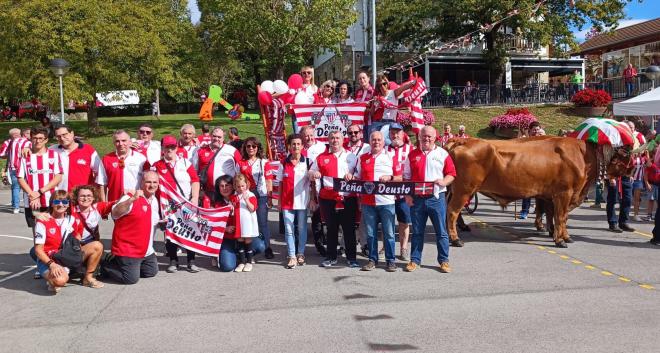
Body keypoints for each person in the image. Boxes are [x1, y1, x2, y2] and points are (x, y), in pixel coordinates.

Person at [403, 126, 456, 273]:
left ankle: (444, 261)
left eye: (430, 137)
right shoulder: (412, 155)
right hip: (417, 200)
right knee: (417, 232)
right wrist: (407, 195)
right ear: (419, 137)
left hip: (436, 198)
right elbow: (406, 177)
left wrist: (444, 182)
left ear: (435, 138)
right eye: (424, 136)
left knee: (441, 231)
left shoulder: (442, 153)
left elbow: (451, 173)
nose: (426, 139)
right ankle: (414, 260)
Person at [29, 190, 98, 293]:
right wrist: (52, 265)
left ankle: (87, 277)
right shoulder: (43, 220)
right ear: (52, 203)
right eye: (57, 202)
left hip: (66, 256)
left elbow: (78, 235)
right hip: (51, 259)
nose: (61, 204)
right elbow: (38, 250)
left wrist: (75, 250)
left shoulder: (72, 219)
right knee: (59, 281)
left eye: (65, 202)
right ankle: (51, 276)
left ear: (68, 204)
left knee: (97, 245)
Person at [309, 130, 359, 268]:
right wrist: (314, 173)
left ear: (343, 140)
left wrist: (353, 176)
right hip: (328, 198)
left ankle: (352, 258)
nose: (335, 140)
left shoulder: (352, 156)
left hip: (347, 198)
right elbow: (310, 172)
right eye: (332, 138)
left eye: (337, 138)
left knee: (349, 229)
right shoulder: (321, 157)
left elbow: (359, 173)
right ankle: (331, 257)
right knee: (331, 229)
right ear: (328, 140)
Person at [152, 135, 201, 273]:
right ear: (162, 148)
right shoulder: (156, 165)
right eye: (167, 147)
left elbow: (195, 180)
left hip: (186, 203)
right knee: (171, 233)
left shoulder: (185, 163)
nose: (170, 149)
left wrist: (195, 197)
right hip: (167, 206)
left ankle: (191, 261)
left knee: (190, 231)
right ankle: (173, 260)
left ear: (176, 147)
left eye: (172, 147)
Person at [101, 171, 160, 285]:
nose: (152, 185)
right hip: (129, 249)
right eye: (148, 182)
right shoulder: (130, 197)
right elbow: (115, 213)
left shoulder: (154, 200)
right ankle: (103, 264)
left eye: (155, 182)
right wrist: (131, 199)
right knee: (130, 279)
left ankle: (123, 264)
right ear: (141, 182)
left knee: (151, 272)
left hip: (145, 250)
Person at [355, 131, 400, 272]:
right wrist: (351, 176)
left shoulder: (391, 156)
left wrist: (390, 177)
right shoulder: (362, 158)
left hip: (386, 201)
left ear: (383, 141)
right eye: (373, 139)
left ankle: (391, 261)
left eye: (379, 140)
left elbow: (400, 177)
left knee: (389, 233)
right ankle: (372, 260)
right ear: (370, 141)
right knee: (371, 233)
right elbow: (358, 177)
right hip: (368, 202)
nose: (376, 142)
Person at [213, 175, 266, 272]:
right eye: (222, 186)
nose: (225, 188)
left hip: (244, 231)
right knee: (227, 267)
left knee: (260, 246)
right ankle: (237, 258)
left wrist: (245, 200)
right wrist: (225, 229)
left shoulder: (245, 196)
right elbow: (212, 224)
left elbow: (252, 208)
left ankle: (246, 259)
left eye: (227, 185)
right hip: (228, 238)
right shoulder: (217, 203)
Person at [278, 133, 313, 269]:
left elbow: (313, 184)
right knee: (288, 229)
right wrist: (279, 202)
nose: (296, 146)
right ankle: (292, 255)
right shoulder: (283, 163)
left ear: (302, 146)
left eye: (298, 144)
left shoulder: (308, 162)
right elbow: (280, 183)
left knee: (302, 228)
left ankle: (300, 253)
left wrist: (313, 199)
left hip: (302, 202)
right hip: (287, 203)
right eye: (293, 144)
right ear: (289, 146)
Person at [18, 126, 63, 230]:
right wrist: (32, 195)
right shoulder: (25, 156)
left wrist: (39, 192)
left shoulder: (54, 155)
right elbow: (20, 178)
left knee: (53, 231)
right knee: (37, 233)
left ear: (46, 140)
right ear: (31, 139)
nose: (37, 141)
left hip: (50, 200)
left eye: (40, 138)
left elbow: (58, 177)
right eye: (34, 138)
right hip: (32, 202)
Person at [237, 137, 274, 259]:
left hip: (261, 195)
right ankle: (249, 248)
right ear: (245, 148)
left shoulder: (264, 162)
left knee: (262, 222)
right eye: (248, 146)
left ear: (258, 148)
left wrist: (269, 197)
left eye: (253, 146)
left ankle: (267, 247)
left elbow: (269, 180)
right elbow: (237, 179)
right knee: (247, 221)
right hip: (246, 195)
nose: (251, 148)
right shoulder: (241, 162)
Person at [70, 186, 110, 288]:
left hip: (88, 245)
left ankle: (84, 274)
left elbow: (115, 204)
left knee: (104, 259)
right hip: (72, 247)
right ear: (76, 197)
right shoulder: (69, 210)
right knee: (34, 252)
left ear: (93, 198)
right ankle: (81, 273)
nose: (85, 198)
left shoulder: (97, 208)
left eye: (89, 196)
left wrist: (130, 197)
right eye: (82, 196)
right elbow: (53, 210)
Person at [192, 127, 241, 206]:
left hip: (227, 192)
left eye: (219, 137)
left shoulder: (232, 150)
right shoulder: (200, 151)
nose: (216, 139)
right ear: (210, 136)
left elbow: (240, 170)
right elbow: (194, 172)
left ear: (223, 138)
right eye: (214, 136)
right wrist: (198, 190)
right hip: (207, 192)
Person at [96, 130, 148, 202]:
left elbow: (148, 181)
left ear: (130, 142)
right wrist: (104, 206)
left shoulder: (141, 158)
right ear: (114, 143)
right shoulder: (106, 159)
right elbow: (102, 185)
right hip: (115, 203)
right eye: (117, 141)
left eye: (124, 140)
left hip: (137, 202)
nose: (121, 144)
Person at [51, 125, 103, 197]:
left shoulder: (88, 150)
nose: (62, 138)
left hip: (83, 198)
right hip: (61, 197)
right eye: (58, 136)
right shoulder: (52, 150)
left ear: (72, 133)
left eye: (64, 134)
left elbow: (100, 173)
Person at [387, 123, 413, 261]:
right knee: (387, 222)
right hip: (387, 194)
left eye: (397, 132)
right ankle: (386, 247)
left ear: (403, 134)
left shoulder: (410, 149)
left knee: (404, 222)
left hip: (404, 193)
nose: (395, 135)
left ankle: (403, 248)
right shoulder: (385, 149)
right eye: (392, 132)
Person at [299, 125, 327, 255]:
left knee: (318, 218)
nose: (309, 138)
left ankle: (320, 245)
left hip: (318, 187)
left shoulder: (322, 147)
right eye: (306, 135)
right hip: (302, 188)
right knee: (302, 218)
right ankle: (299, 247)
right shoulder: (298, 147)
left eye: (311, 135)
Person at [230, 174, 259, 272]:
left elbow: (252, 209)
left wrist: (246, 200)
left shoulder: (251, 195)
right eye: (238, 186)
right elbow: (232, 208)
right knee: (240, 241)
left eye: (242, 186)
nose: (241, 188)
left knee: (248, 241)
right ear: (235, 186)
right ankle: (242, 262)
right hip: (238, 223)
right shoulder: (234, 196)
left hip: (248, 223)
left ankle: (249, 262)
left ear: (246, 185)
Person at [1, 128, 30, 214]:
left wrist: (10, 154)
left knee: (15, 188)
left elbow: (2, 154)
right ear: (19, 133)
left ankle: (15, 207)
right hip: (25, 168)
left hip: (13, 168)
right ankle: (27, 205)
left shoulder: (7, 142)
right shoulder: (27, 142)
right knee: (26, 187)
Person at [520, 122, 545, 219]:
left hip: (541, 169)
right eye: (534, 129)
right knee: (527, 193)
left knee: (541, 194)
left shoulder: (543, 140)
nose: (536, 131)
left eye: (538, 129)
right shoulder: (525, 140)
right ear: (529, 130)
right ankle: (525, 211)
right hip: (528, 169)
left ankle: (540, 212)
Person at [606, 152, 635, 233]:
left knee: (627, 200)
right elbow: (607, 164)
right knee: (612, 200)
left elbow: (631, 164)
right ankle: (612, 223)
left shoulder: (631, 151)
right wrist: (611, 177)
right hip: (614, 177)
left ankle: (623, 222)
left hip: (626, 178)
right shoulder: (613, 150)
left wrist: (630, 174)